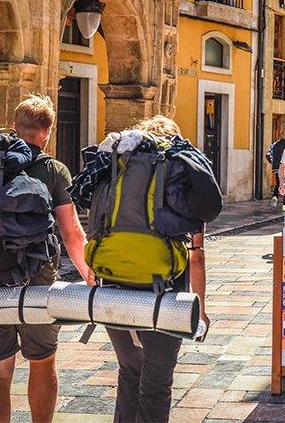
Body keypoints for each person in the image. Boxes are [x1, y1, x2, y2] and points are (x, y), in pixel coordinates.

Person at [0, 94, 94, 423]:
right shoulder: (53, 169)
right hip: (37, 276)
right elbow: (72, 234)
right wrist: (88, 274)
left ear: (14, 127)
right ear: (47, 132)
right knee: (42, 361)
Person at [106, 116, 209, 423]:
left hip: (114, 289)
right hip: (165, 292)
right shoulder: (179, 176)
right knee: (155, 385)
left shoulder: (119, 174)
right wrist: (199, 307)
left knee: (129, 372)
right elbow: (197, 255)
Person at [266, 129, 285, 207]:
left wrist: (273, 163)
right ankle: (284, 204)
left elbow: (268, 155)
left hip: (276, 167)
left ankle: (275, 196)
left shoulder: (274, 144)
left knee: (278, 183)